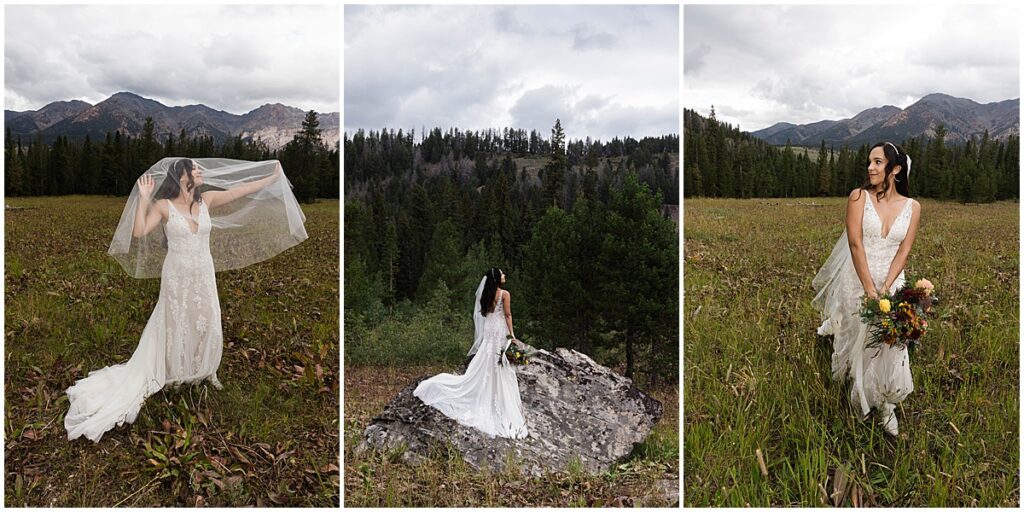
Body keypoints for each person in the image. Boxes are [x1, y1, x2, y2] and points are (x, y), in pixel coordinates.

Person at [65, 157, 306, 442]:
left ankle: (202, 369)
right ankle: (175, 371)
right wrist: (143, 199)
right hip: (177, 275)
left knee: (206, 319)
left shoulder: (208, 200)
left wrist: (269, 178)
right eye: (195, 169)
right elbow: (139, 231)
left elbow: (240, 190)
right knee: (176, 320)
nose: (201, 171)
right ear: (181, 176)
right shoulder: (163, 206)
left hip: (203, 272)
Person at [812, 142, 921, 436]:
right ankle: (859, 389)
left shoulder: (913, 207)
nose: (870, 168)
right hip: (859, 276)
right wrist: (870, 287)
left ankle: (886, 404)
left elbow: (904, 249)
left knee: (890, 340)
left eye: (878, 162)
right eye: (869, 162)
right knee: (857, 334)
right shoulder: (858, 197)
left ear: (895, 169)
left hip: (892, 280)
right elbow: (855, 243)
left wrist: (887, 286)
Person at [413, 268, 529, 439]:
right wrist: (512, 335)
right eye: (502, 274)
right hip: (499, 330)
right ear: (497, 278)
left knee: (487, 358)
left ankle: (486, 392)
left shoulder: (486, 294)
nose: (505, 276)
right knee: (500, 361)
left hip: (490, 330)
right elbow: (508, 314)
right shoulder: (504, 294)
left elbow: (485, 314)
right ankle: (496, 398)